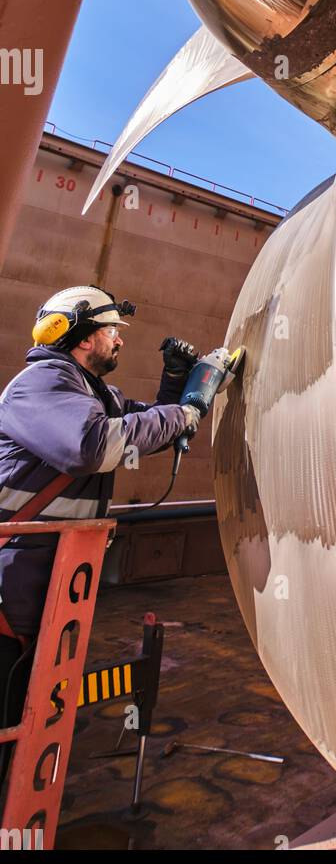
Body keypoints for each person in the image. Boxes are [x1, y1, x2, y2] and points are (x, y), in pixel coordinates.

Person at [0, 284, 226, 787]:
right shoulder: (41, 384)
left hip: (44, 597)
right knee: (8, 723)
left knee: (26, 723)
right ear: (81, 337)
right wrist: (189, 410)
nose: (119, 341)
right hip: (9, 597)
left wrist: (174, 386)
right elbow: (94, 446)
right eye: (111, 331)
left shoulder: (90, 393)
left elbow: (141, 430)